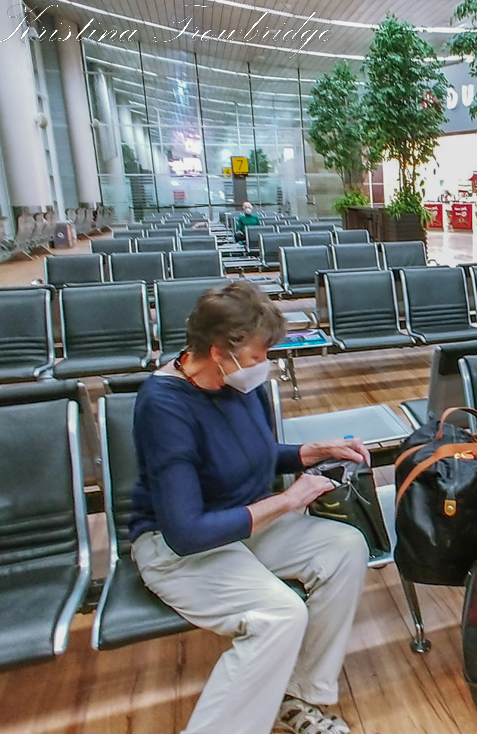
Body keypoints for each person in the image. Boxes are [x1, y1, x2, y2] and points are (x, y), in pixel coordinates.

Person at [129, 281, 370, 734]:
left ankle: (298, 696)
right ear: (219, 351)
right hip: (177, 548)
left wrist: (310, 452)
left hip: (245, 523)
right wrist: (288, 500)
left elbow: (250, 454)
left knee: (345, 548)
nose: (266, 364)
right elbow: (187, 532)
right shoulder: (164, 406)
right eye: (259, 355)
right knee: (280, 614)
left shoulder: (240, 382)